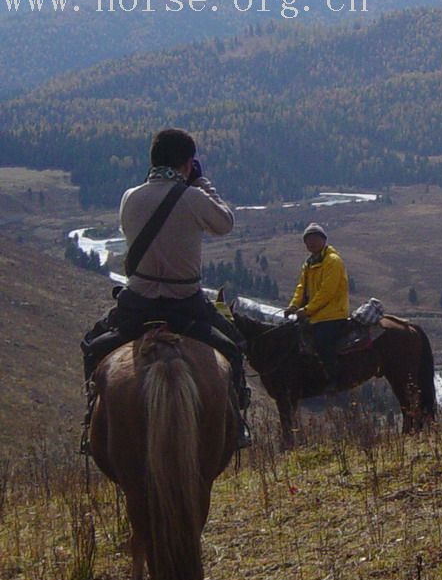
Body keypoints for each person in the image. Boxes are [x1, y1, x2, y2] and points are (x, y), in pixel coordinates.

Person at [83, 128, 251, 447]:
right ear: (188, 163)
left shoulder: (130, 196)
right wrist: (201, 184)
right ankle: (238, 423)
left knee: (93, 345)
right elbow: (225, 222)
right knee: (234, 347)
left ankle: (91, 420)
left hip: (138, 302)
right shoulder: (194, 197)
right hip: (185, 303)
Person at [284, 223, 349, 389]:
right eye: (308, 240)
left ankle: (335, 378)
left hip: (332, 314)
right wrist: (293, 306)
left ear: (323, 240)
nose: (311, 243)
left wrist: (306, 310)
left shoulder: (333, 261)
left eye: (314, 239)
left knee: (322, 342)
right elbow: (301, 289)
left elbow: (327, 292)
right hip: (315, 314)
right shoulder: (308, 264)